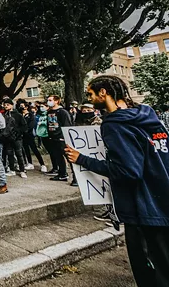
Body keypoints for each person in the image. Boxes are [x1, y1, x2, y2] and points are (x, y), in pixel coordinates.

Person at [65, 75, 169, 286]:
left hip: (142, 210)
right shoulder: (148, 117)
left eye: (91, 93)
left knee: (151, 271)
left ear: (103, 93)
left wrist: (83, 159)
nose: (89, 98)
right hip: (162, 201)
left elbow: (129, 171)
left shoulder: (114, 125)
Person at [46, 95, 73, 183]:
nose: (48, 102)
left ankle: (76, 178)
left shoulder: (62, 112)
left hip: (61, 138)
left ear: (56, 101)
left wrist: (63, 137)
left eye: (50, 100)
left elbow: (67, 125)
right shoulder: (49, 112)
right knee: (58, 157)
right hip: (52, 138)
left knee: (68, 158)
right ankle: (62, 174)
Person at [1, 98, 27, 179]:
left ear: (12, 105)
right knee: (10, 154)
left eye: (7, 105)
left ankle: (22, 170)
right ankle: (12, 170)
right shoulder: (4, 115)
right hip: (7, 138)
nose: (6, 106)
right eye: (5, 105)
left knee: (19, 154)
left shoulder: (18, 115)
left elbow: (24, 126)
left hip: (17, 138)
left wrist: (18, 132)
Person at [21, 104, 47, 172]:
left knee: (34, 149)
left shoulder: (31, 115)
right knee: (26, 150)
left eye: (23, 107)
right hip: (23, 136)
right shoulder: (21, 115)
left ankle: (42, 164)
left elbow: (31, 125)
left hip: (29, 135)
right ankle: (29, 163)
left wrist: (25, 130)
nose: (22, 108)